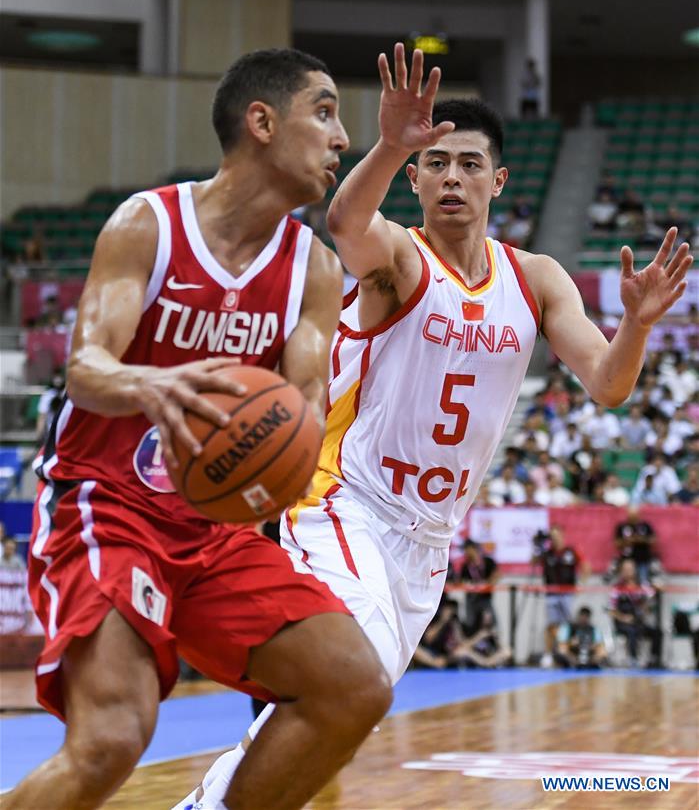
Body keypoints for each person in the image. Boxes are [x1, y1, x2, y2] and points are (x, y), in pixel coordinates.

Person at [184, 43, 693, 807]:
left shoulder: (536, 278)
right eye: (436, 163)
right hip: (343, 502)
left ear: (498, 180)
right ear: (416, 179)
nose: (451, 176)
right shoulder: (399, 257)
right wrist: (391, 143)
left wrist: (637, 327)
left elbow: (609, 384)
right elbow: (347, 219)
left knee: (337, 711)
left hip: (428, 540)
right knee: (346, 682)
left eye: (468, 162)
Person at [7, 49, 393, 810]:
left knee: (352, 685)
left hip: (215, 528)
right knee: (111, 739)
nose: (341, 137)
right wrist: (158, 386)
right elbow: (85, 367)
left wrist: (283, 452)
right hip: (106, 505)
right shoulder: (147, 224)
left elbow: (305, 406)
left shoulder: (312, 269)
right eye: (323, 111)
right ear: (261, 121)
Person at [534, 524, 589, 668]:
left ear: (562, 536)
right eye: (552, 536)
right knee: (551, 625)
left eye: (557, 535)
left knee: (568, 624)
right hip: (551, 593)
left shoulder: (571, 551)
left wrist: (581, 583)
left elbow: (585, 566)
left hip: (567, 593)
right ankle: (548, 654)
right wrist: (537, 546)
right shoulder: (547, 553)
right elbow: (533, 562)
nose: (555, 539)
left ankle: (569, 654)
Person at [609, 559, 663, 668]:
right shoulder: (617, 588)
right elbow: (611, 610)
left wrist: (647, 606)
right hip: (623, 623)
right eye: (625, 569)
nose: (628, 572)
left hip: (638, 622)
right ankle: (633, 660)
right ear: (621, 571)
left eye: (630, 569)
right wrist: (623, 618)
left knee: (657, 632)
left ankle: (653, 659)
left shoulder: (642, 586)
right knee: (632, 631)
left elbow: (652, 596)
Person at [458, 538, 498, 631]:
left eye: (466, 549)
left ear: (472, 548)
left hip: (485, 599)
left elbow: (497, 574)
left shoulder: (487, 561)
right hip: (471, 599)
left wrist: (486, 584)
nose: (465, 552)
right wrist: (469, 585)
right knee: (470, 624)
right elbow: (461, 581)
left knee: (491, 623)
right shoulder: (466, 566)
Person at [613, 506, 657, 584]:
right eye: (631, 516)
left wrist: (641, 540)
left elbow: (654, 540)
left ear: (639, 515)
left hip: (643, 558)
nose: (633, 518)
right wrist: (628, 541)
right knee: (626, 580)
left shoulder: (645, 526)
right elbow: (616, 543)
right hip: (627, 559)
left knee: (644, 581)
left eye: (635, 515)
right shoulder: (622, 526)